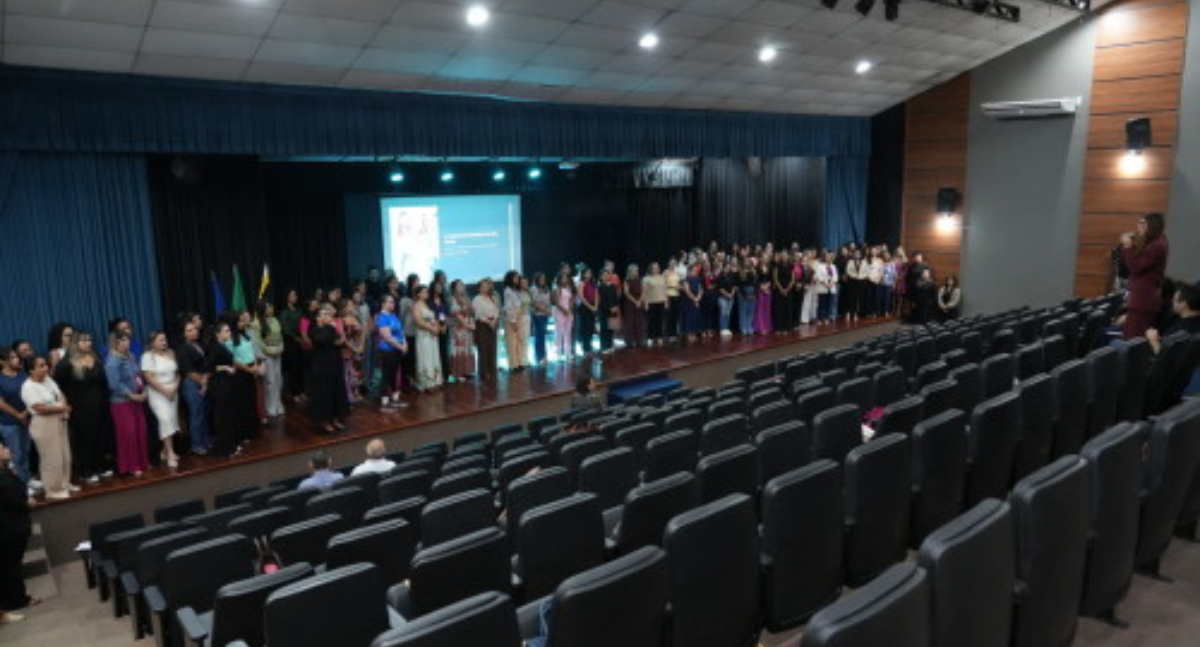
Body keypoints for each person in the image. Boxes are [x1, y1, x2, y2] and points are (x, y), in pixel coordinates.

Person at [0, 440, 36, 625]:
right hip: (9, 530)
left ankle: (15, 599)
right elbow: (15, 499)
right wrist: (27, 501)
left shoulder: (6, 473)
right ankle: (15, 601)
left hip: (10, 529)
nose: (6, 449)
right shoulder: (3, 477)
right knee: (10, 567)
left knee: (10, 566)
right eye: (2, 448)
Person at [104, 336, 149, 478]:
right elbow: (114, 384)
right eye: (122, 341)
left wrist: (143, 389)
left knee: (140, 431)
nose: (126, 343)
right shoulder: (112, 361)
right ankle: (131, 466)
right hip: (121, 403)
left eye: (127, 340)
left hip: (137, 399)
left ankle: (142, 462)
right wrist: (131, 395)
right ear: (115, 344)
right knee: (128, 434)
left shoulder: (131, 356)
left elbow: (137, 375)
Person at [1121, 213, 1170, 340]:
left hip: (1143, 299)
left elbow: (1136, 268)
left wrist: (1127, 247)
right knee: (1131, 336)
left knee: (1133, 339)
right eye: (1138, 223)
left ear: (1153, 225)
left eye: (1143, 223)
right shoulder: (1155, 243)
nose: (1139, 226)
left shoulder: (1157, 245)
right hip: (1142, 298)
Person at [141, 331, 181, 469]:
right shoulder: (147, 356)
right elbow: (149, 378)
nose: (164, 342)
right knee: (165, 419)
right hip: (158, 393)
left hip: (173, 391)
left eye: (165, 339)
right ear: (153, 342)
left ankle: (164, 451)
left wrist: (175, 387)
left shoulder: (171, 353)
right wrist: (165, 391)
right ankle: (170, 453)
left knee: (172, 420)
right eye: (160, 340)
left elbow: (177, 374)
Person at [308, 305, 349, 434]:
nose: (327, 316)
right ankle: (325, 421)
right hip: (321, 367)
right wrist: (334, 338)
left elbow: (341, 342)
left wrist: (337, 338)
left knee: (336, 392)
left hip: (335, 364)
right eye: (324, 314)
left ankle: (336, 418)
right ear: (318, 318)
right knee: (324, 394)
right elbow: (322, 340)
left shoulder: (331, 328)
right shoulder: (314, 330)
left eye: (328, 314)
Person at [175, 320, 210, 456]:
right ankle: (196, 445)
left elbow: (207, 364)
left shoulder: (200, 345)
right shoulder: (183, 349)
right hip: (191, 383)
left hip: (204, 381)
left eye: (194, 329)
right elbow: (188, 370)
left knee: (204, 412)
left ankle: (205, 439)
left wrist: (205, 381)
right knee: (196, 414)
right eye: (189, 330)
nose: (194, 331)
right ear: (184, 334)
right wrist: (202, 382)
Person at [0, 351, 31, 489]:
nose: (17, 360)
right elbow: (1, 403)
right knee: (15, 454)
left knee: (25, 450)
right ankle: (19, 485)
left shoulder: (23, 375)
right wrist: (18, 414)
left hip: (27, 420)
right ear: (2, 362)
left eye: (17, 357)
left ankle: (27, 478)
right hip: (9, 422)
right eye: (12, 357)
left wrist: (27, 412)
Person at [251, 301, 286, 419]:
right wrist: (270, 350)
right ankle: (270, 407)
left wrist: (281, 347)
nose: (270, 309)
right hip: (267, 355)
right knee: (269, 381)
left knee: (278, 379)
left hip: (278, 353)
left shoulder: (275, 320)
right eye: (267, 307)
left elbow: (280, 336)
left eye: (270, 307)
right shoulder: (256, 324)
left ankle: (278, 404)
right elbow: (258, 342)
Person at [1146, 282, 1200, 354]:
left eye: (1175, 300)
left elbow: (1166, 361)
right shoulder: (1193, 325)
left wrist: (1153, 340)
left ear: (1184, 304)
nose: (1172, 302)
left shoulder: (1182, 331)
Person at [375, 294, 408, 408]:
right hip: (387, 350)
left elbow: (401, 331)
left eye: (393, 302)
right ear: (383, 303)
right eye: (390, 302)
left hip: (397, 349)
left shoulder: (394, 316)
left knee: (394, 374)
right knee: (386, 375)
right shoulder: (381, 317)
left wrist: (404, 343)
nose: (393, 304)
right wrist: (400, 346)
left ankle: (395, 398)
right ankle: (384, 401)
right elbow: (387, 337)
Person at [413, 285, 445, 392]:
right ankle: (427, 383)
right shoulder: (417, 305)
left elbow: (434, 318)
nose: (427, 293)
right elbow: (418, 321)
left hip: (432, 335)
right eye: (424, 292)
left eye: (427, 292)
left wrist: (437, 327)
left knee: (433, 356)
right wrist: (430, 328)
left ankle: (435, 380)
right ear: (419, 294)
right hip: (424, 335)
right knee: (426, 357)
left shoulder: (426, 305)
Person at [279, 289, 306, 403]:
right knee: (293, 367)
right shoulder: (284, 312)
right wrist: (297, 338)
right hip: (291, 343)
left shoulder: (299, 310)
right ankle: (294, 392)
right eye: (292, 295)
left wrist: (303, 337)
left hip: (302, 341)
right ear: (287, 297)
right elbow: (285, 329)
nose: (294, 296)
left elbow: (303, 325)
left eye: (295, 294)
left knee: (300, 367)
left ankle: (301, 391)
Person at [473, 278, 501, 382]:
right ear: (479, 288)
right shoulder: (477, 299)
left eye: (487, 285)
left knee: (492, 348)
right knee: (483, 349)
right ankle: (484, 373)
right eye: (483, 286)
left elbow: (496, 310)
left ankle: (492, 370)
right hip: (482, 326)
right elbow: (478, 314)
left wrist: (495, 320)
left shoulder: (491, 298)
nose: (486, 287)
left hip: (493, 325)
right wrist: (488, 322)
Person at [448, 280, 476, 380]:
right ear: (454, 287)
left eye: (462, 285)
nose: (462, 286)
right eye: (459, 285)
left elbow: (472, 311)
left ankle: (467, 371)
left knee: (467, 348)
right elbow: (454, 312)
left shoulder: (467, 298)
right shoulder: (452, 299)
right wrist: (465, 323)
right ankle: (458, 373)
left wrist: (470, 322)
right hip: (458, 328)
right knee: (459, 349)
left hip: (467, 326)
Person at [623, 265, 648, 348]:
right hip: (630, 303)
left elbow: (644, 291)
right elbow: (626, 293)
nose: (636, 271)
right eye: (634, 270)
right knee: (630, 322)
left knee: (639, 322)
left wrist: (640, 301)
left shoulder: (641, 279)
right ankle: (630, 342)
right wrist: (635, 301)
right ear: (630, 271)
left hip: (639, 302)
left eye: (636, 270)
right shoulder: (627, 280)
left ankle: (639, 340)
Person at [552, 274, 576, 359]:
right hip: (560, 312)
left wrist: (570, 309)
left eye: (566, 278)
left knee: (568, 333)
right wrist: (564, 310)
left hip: (568, 312)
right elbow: (556, 302)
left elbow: (571, 300)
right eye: (563, 278)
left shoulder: (569, 288)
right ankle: (558, 353)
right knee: (559, 333)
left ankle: (568, 352)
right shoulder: (557, 289)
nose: (565, 280)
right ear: (559, 280)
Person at [530, 273, 552, 364]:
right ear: (537, 279)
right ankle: (539, 357)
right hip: (537, 315)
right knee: (539, 336)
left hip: (545, 315)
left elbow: (549, 301)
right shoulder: (533, 289)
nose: (543, 280)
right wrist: (545, 310)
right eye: (541, 279)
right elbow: (534, 302)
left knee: (542, 336)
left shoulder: (546, 289)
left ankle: (544, 356)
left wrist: (549, 310)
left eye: (544, 278)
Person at [642, 262, 666, 345]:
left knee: (659, 320)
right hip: (651, 302)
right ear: (651, 269)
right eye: (654, 268)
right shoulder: (646, 278)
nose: (656, 269)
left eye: (657, 267)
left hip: (661, 301)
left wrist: (666, 301)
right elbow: (644, 292)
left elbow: (664, 290)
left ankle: (659, 336)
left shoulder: (662, 277)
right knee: (651, 321)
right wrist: (645, 303)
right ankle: (650, 337)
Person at [598, 269, 621, 355]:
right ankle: (604, 347)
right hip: (604, 310)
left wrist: (616, 306)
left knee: (611, 329)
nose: (606, 276)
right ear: (601, 277)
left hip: (614, 310)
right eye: (604, 275)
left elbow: (616, 298)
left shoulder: (613, 286)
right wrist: (609, 308)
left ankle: (610, 345)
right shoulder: (599, 286)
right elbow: (601, 300)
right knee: (604, 329)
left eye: (607, 275)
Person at [577, 268, 599, 356]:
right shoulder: (581, 283)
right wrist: (590, 307)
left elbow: (596, 294)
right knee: (585, 328)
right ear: (583, 274)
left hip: (593, 306)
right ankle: (585, 347)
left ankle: (589, 345)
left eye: (590, 272)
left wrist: (596, 305)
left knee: (591, 327)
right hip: (585, 307)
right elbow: (581, 297)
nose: (589, 274)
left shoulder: (593, 283)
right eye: (587, 273)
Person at [681, 264, 704, 343]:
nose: (695, 271)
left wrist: (698, 298)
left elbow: (701, 289)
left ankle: (694, 332)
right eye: (694, 270)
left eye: (696, 270)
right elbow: (687, 291)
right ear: (690, 271)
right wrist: (695, 299)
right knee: (689, 317)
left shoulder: (698, 279)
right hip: (689, 301)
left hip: (696, 300)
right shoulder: (686, 280)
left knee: (695, 317)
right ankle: (688, 334)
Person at [664, 259, 682, 342]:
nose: (673, 264)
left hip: (677, 296)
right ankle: (669, 334)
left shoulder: (677, 273)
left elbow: (679, 283)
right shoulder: (665, 272)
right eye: (671, 263)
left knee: (676, 315)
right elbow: (663, 285)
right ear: (668, 264)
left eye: (674, 263)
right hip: (669, 295)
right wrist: (666, 298)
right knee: (669, 316)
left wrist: (680, 287)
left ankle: (674, 333)